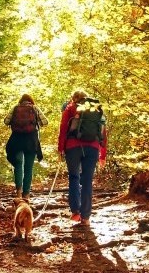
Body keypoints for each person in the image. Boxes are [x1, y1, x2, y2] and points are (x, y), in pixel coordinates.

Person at [58, 90, 108, 227]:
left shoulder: (70, 108)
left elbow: (63, 129)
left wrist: (61, 148)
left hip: (72, 147)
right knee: (87, 181)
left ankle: (75, 212)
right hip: (92, 147)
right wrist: (103, 154)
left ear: (73, 98)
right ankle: (85, 217)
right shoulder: (96, 110)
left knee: (74, 177)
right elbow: (103, 132)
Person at [5, 94, 48, 200]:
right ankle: (26, 194)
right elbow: (45, 122)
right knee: (28, 168)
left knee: (18, 164)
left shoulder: (15, 108)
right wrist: (35, 123)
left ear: (21, 101)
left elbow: (6, 121)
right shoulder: (34, 108)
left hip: (17, 140)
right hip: (31, 140)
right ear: (30, 101)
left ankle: (18, 191)